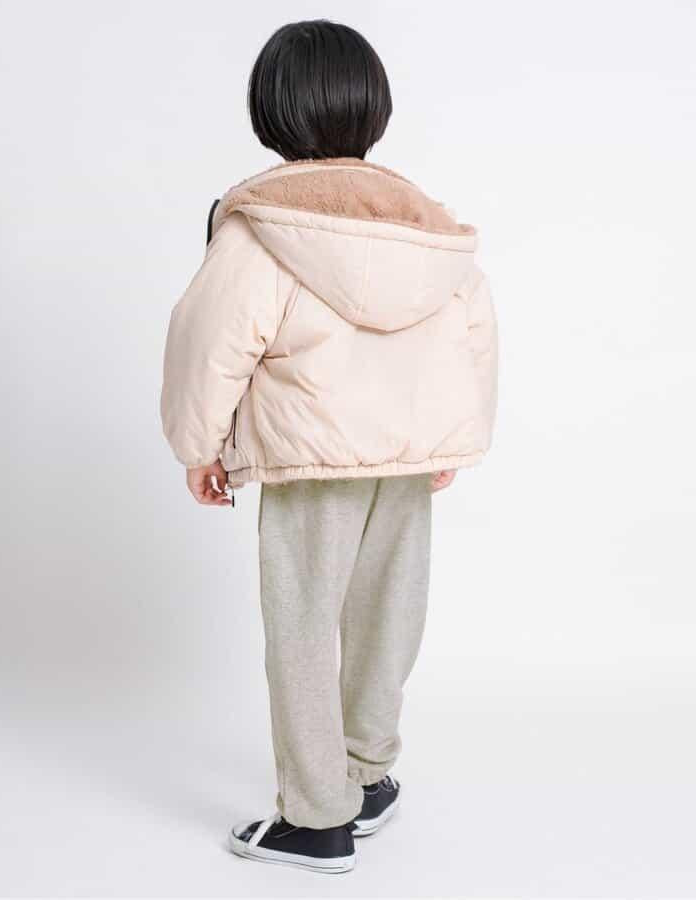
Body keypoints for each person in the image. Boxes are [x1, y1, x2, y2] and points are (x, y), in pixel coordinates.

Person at [161, 19, 498, 874]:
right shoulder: (426, 226)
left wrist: (199, 445)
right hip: (407, 459)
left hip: (312, 458)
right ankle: (366, 773)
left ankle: (316, 819)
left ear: (270, 111)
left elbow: (208, 342)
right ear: (372, 109)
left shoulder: (262, 226)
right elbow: (473, 334)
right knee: (389, 613)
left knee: (304, 628)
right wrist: (453, 441)